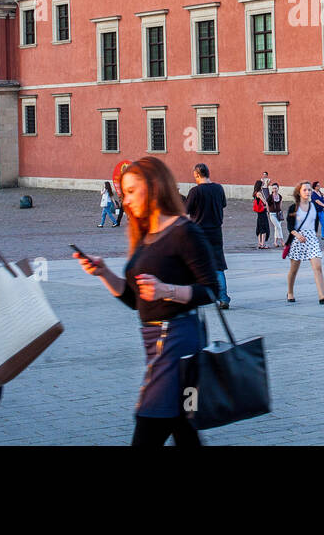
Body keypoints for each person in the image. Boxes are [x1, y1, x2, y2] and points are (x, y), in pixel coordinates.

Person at [74, 156, 219, 447]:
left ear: (154, 188)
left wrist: (167, 290)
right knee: (183, 428)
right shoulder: (146, 235)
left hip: (178, 343)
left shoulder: (184, 231)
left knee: (149, 423)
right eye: (123, 192)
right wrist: (103, 273)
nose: (125, 200)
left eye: (130, 191)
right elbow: (136, 300)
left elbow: (211, 290)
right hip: (156, 343)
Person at [185, 163, 230, 309]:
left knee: (194, 264)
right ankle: (223, 298)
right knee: (218, 266)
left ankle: (194, 296)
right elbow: (223, 204)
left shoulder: (195, 192)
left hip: (198, 232)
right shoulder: (218, 188)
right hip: (216, 231)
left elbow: (185, 210)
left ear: (197, 175)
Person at [285, 181, 324, 304]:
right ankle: (290, 292)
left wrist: (314, 235)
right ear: (299, 192)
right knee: (294, 269)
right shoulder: (293, 207)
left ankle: (322, 296)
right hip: (297, 238)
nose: (307, 192)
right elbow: (290, 227)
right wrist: (298, 235)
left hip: (311, 238)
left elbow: (315, 223)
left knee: (318, 266)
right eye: (305, 190)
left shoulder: (314, 207)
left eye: (309, 190)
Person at [252, 176, 271, 249]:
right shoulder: (259, 193)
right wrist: (268, 210)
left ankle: (260, 243)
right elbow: (265, 202)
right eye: (262, 184)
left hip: (259, 212)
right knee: (264, 228)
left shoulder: (255, 192)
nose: (263, 185)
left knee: (259, 228)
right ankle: (263, 244)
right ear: (259, 185)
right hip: (262, 212)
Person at [266, 182, 284, 247]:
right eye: (273, 188)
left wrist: (280, 211)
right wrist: (268, 211)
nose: (274, 189)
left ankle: (275, 242)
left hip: (278, 214)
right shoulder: (270, 197)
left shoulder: (280, 196)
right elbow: (267, 203)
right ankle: (282, 241)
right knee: (279, 227)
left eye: (276, 188)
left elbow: (280, 205)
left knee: (277, 228)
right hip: (272, 214)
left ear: (278, 188)